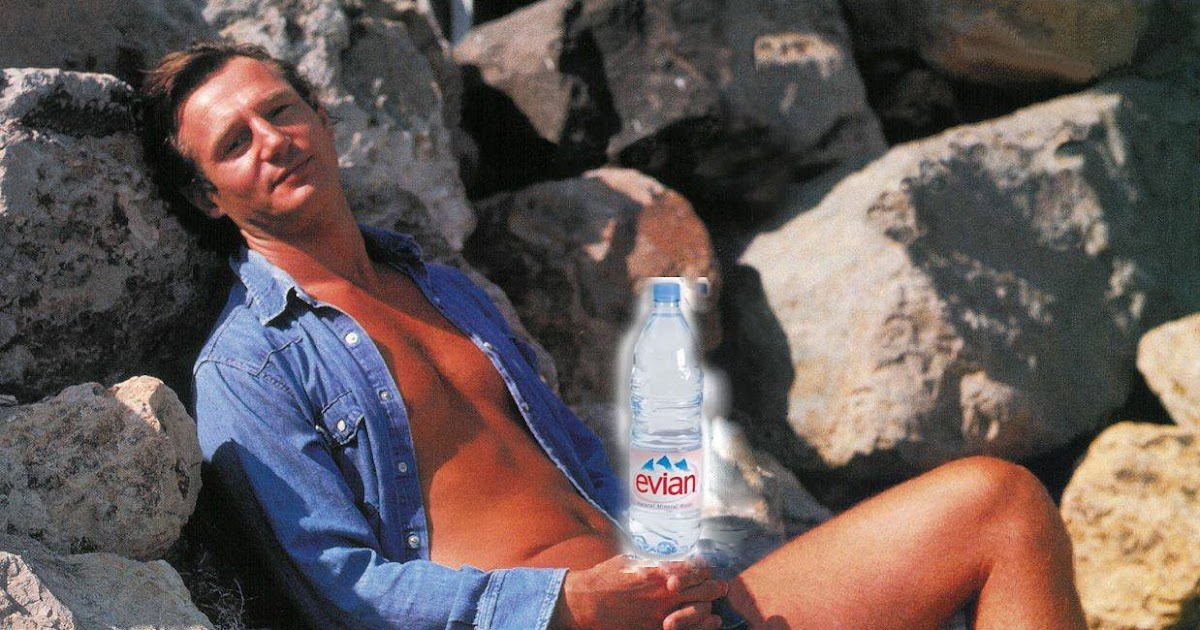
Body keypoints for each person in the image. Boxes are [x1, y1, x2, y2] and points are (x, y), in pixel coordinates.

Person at [140, 41, 1088, 630]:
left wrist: (674, 576)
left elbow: (577, 466)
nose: (273, 140)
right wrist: (566, 607)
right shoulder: (247, 366)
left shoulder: (439, 286)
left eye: (281, 110)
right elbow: (337, 588)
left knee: (999, 504)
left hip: (663, 604)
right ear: (206, 196)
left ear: (321, 117)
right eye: (235, 143)